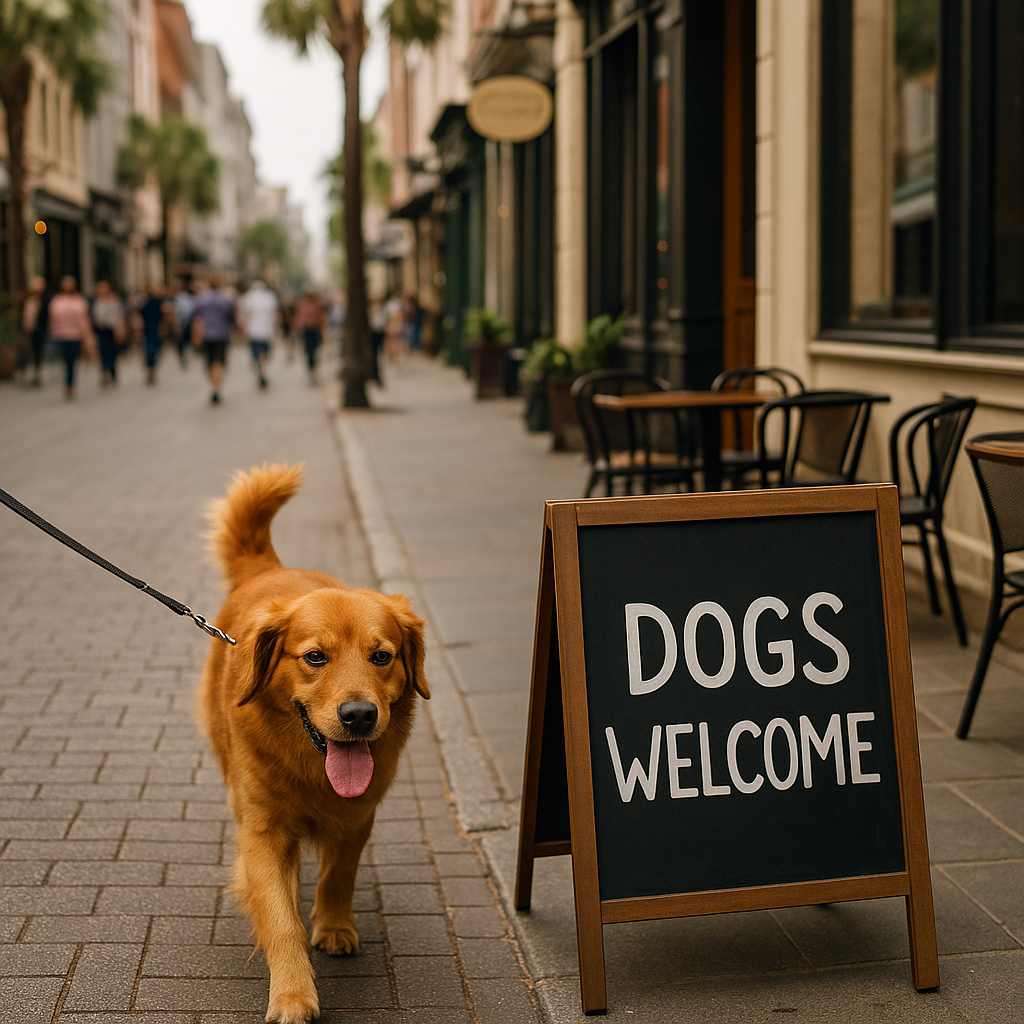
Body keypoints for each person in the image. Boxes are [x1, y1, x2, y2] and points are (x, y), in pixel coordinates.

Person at [47, 275, 95, 399]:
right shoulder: (57, 301)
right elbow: (53, 319)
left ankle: (70, 384)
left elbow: (83, 321)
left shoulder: (79, 301)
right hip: (61, 336)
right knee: (64, 361)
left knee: (71, 361)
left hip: (75, 336)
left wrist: (88, 338)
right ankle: (67, 383)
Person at [191, 272, 235, 404]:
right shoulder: (226, 299)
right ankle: (216, 387)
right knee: (219, 362)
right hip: (222, 335)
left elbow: (196, 318)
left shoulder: (201, 298)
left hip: (207, 335)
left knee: (209, 362)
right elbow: (231, 318)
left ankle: (213, 386)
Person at [237, 279, 279, 390]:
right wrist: (275, 329)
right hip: (266, 331)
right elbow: (274, 315)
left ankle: (260, 369)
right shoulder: (270, 297)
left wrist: (243, 330)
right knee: (265, 353)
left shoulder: (248, 298)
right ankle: (264, 370)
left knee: (255, 354)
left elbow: (243, 315)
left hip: (253, 331)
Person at [90, 280, 125, 386]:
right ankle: (104, 372)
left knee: (112, 351)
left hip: (112, 330)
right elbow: (93, 316)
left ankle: (112, 371)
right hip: (101, 330)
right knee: (103, 351)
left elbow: (119, 315)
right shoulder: (96, 301)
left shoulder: (114, 300)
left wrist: (120, 329)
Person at [20, 276, 49, 387]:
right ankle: (25, 373)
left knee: (38, 351)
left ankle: (36, 373)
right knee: (26, 352)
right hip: (28, 330)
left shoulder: (44, 301)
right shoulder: (26, 300)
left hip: (39, 330)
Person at [292, 290, 326, 383]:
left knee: (312, 351)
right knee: (310, 351)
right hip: (309, 330)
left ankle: (312, 368)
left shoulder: (314, 305)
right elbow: (300, 319)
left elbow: (321, 318)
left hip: (313, 330)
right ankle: (312, 369)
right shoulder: (305, 305)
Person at [139, 283, 166, 384]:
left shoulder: (159, 303)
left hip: (154, 330)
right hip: (148, 330)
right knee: (150, 351)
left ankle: (152, 369)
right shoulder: (146, 303)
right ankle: (151, 370)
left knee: (154, 351)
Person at [170, 278, 195, 368]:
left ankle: (183, 355)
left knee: (183, 341)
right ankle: (182, 355)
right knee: (181, 342)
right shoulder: (174, 298)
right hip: (181, 322)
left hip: (184, 322)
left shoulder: (185, 298)